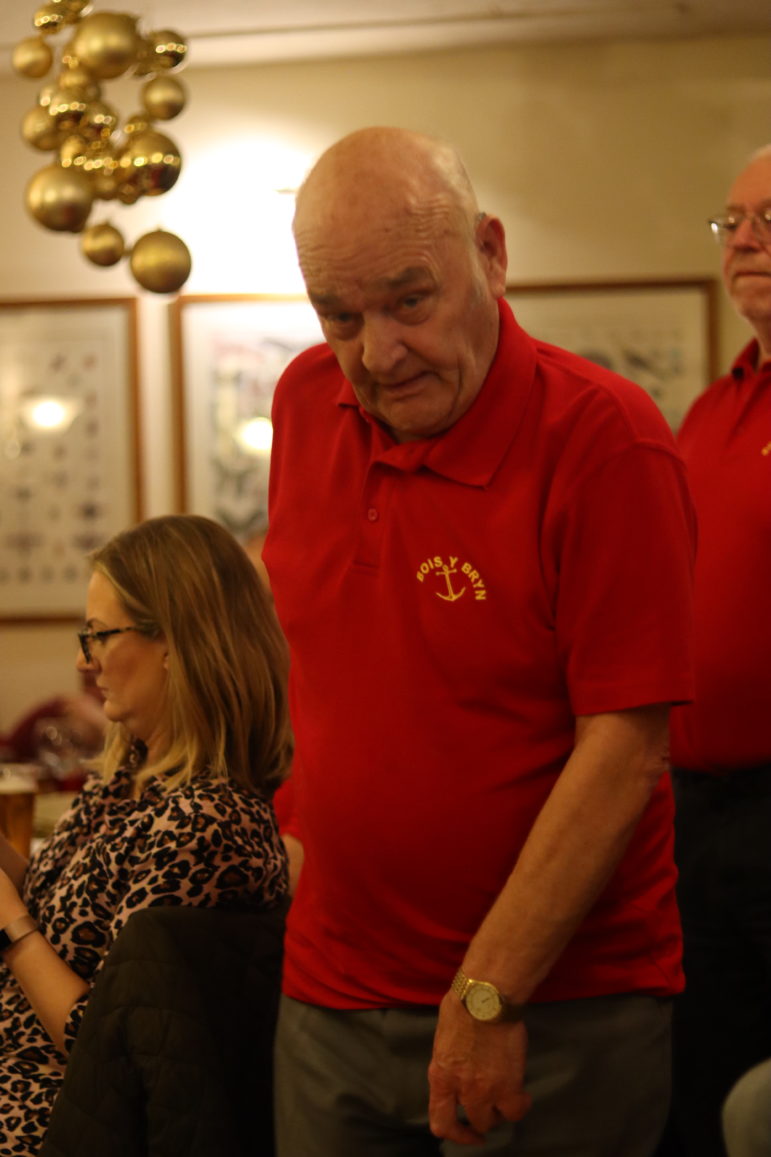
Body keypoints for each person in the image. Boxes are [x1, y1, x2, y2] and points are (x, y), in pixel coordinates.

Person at [264, 125, 696, 1156]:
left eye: (411, 300)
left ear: (491, 255)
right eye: (340, 314)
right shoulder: (302, 404)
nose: (377, 353)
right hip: (328, 996)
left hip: (557, 1010)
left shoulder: (603, 438)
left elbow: (625, 750)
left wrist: (491, 991)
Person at [0, 513, 292, 1154]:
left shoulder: (207, 822)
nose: (83, 659)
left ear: (175, 642)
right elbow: (57, 913)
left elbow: (106, 1046)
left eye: (100, 635)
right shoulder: (128, 774)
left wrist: (10, 927)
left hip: (56, 1125)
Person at [662, 144, 771, 1157]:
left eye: (769, 220)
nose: (743, 241)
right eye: (732, 220)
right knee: (703, 1083)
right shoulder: (711, 407)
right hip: (694, 811)